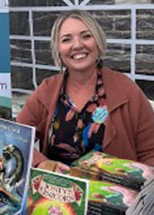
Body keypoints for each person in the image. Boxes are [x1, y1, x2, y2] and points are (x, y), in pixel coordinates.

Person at [17, 10, 154, 171]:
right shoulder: (47, 91)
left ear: (98, 42)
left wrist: (140, 189)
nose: (77, 45)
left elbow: (150, 152)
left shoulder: (127, 90)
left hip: (112, 193)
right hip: (57, 192)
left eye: (86, 36)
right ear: (58, 50)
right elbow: (15, 136)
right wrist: (41, 163)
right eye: (66, 39)